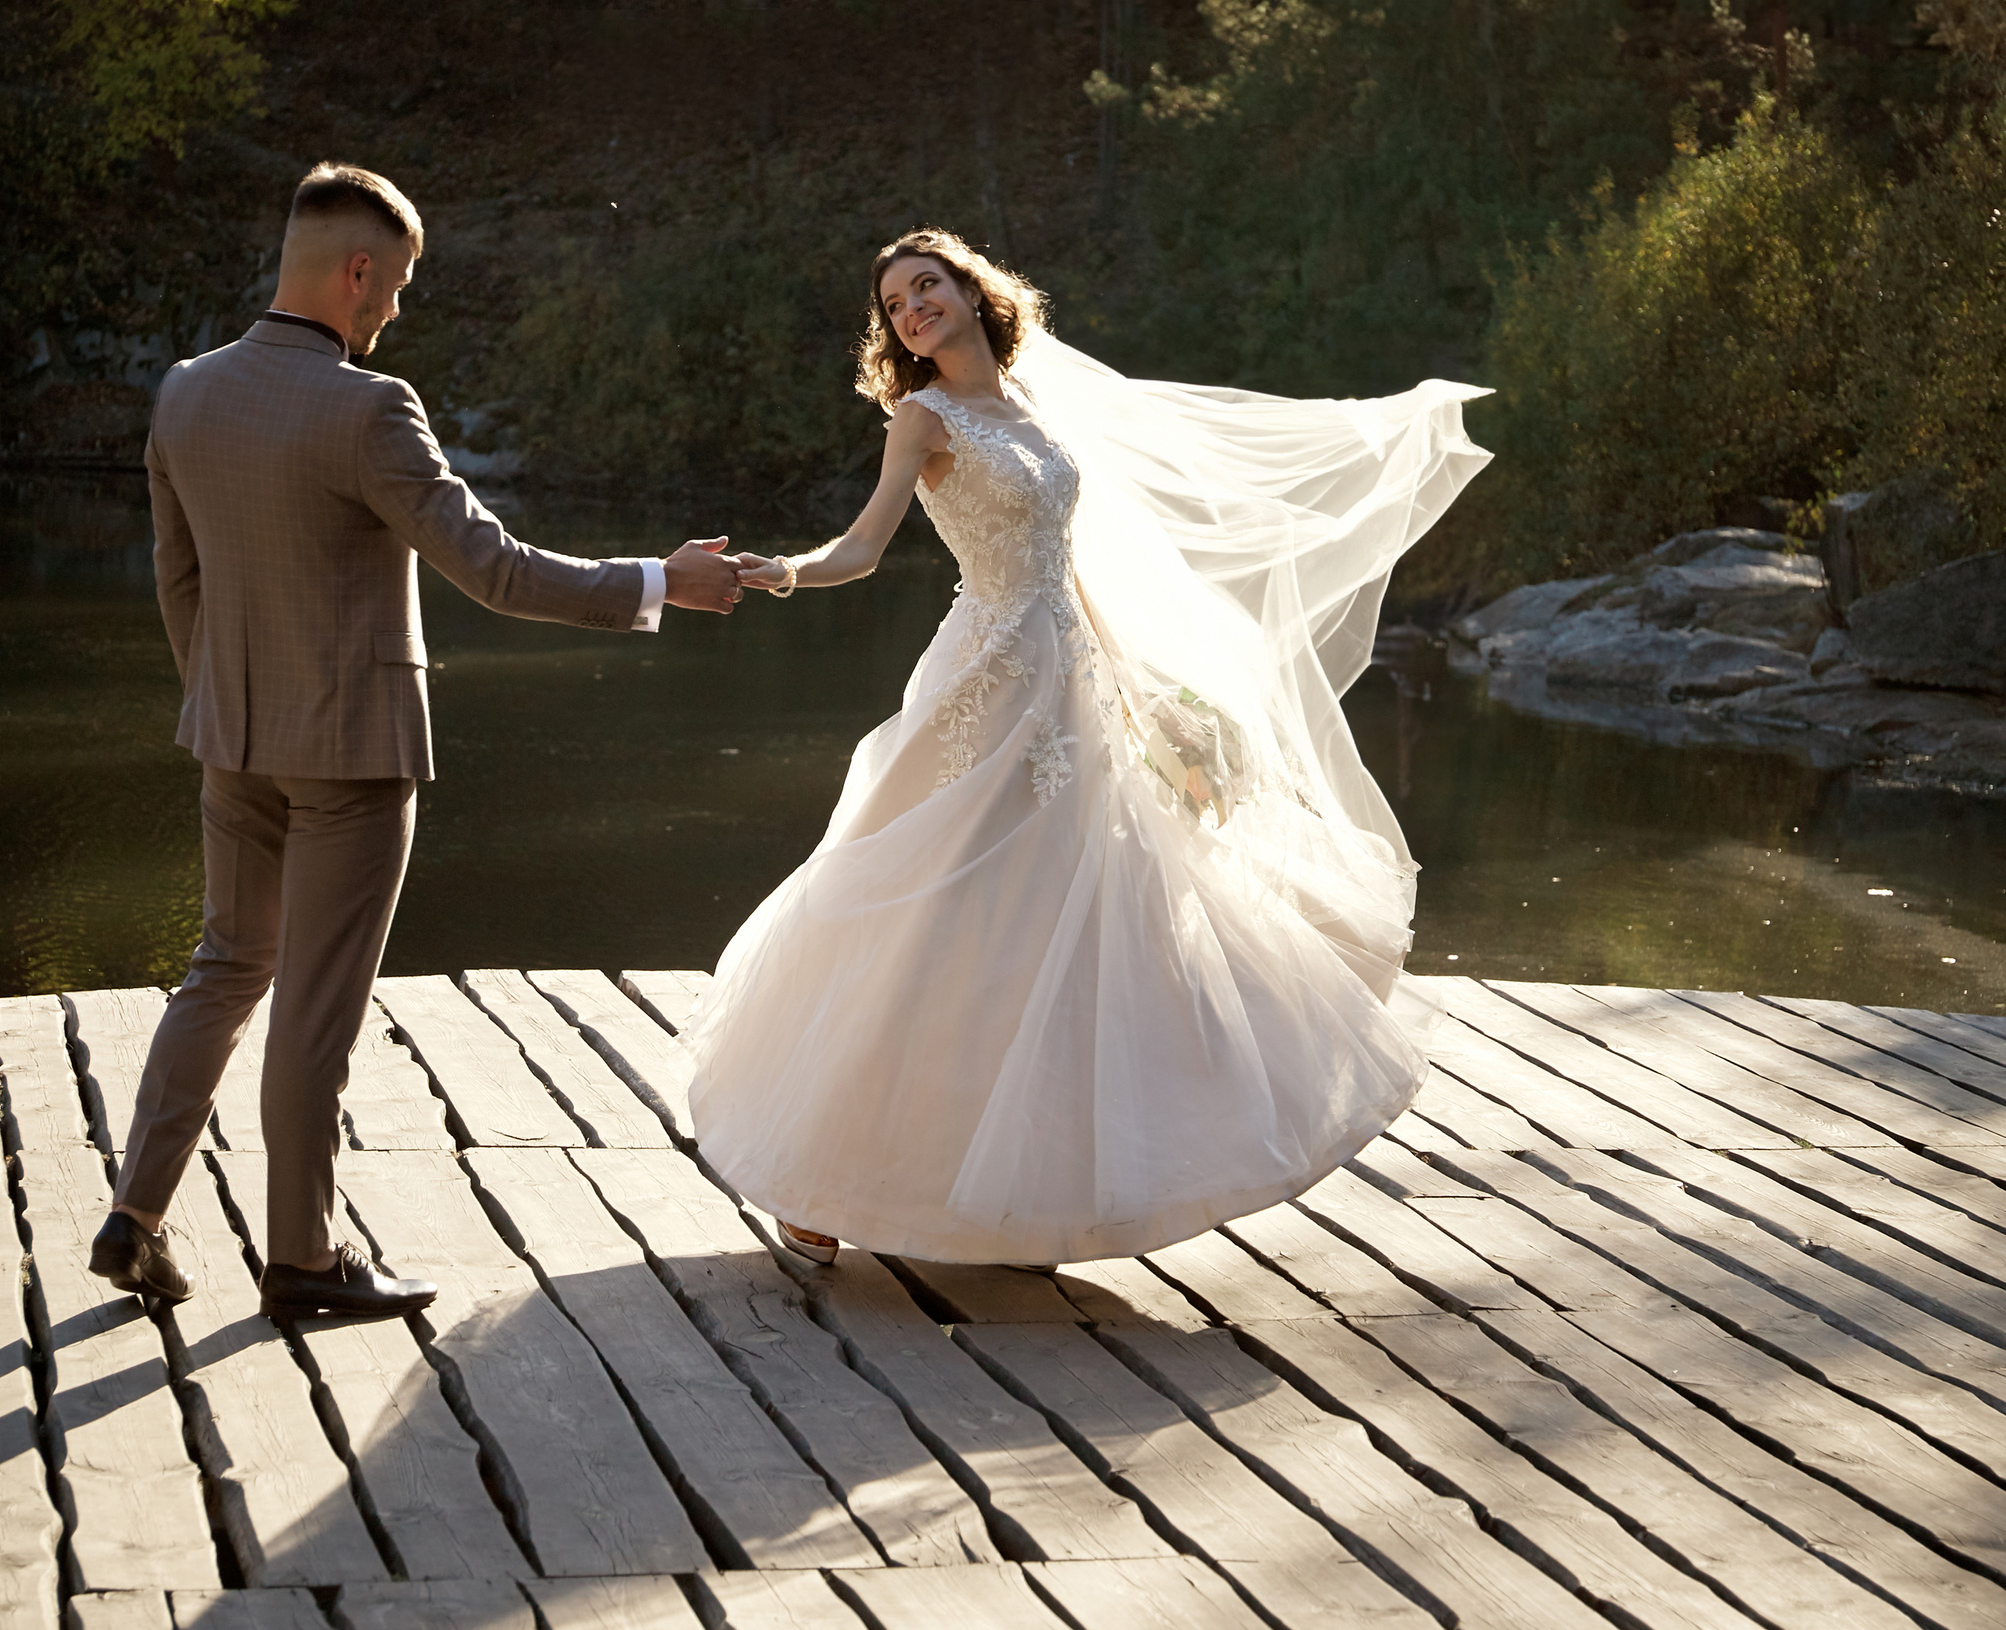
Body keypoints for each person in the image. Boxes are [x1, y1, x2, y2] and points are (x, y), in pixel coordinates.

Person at [686, 229, 1491, 1269]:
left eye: (926, 285)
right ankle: (822, 1177)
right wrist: (779, 572)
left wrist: (1158, 699)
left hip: (1070, 684)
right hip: (981, 686)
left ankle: (1031, 1186)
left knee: (1076, 918)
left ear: (974, 291)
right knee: (940, 913)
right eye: (893, 303)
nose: (912, 308)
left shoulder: (1032, 408)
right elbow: (861, 548)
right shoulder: (922, 419)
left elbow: (1075, 569)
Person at [91, 162, 746, 1323]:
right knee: (315, 1011)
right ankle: (300, 1260)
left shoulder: (186, 391)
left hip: (232, 739)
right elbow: (496, 572)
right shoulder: (367, 408)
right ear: (356, 273)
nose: (395, 309)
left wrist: (221, 706)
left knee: (225, 968)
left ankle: (134, 1216)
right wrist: (663, 580)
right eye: (393, 286)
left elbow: (175, 575)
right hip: (350, 757)